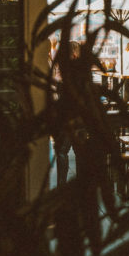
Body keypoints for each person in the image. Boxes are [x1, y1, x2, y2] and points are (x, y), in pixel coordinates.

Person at [51, 40, 81, 188]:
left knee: (62, 151)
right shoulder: (77, 72)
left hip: (63, 115)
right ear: (75, 54)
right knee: (79, 151)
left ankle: (61, 185)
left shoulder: (60, 71)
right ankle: (82, 186)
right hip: (78, 116)